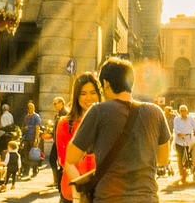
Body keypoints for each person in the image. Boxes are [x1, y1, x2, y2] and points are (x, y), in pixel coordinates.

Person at [63, 56, 170, 203]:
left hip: (109, 198)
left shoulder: (98, 111)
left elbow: (71, 157)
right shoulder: (156, 112)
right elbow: (163, 159)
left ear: (106, 84)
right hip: (147, 198)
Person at [57, 71, 100, 202]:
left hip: (100, 192)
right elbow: (64, 160)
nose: (89, 98)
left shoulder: (107, 121)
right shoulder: (65, 123)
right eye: (83, 93)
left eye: (93, 93)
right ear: (76, 96)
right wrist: (82, 191)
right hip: (72, 194)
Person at [171, 104, 195, 186]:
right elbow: (176, 129)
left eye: (184, 110)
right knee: (179, 158)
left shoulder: (191, 119)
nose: (183, 112)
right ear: (180, 112)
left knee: (189, 157)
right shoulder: (176, 119)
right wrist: (180, 133)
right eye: (181, 111)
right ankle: (182, 173)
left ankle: (187, 169)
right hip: (179, 141)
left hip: (188, 141)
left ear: (187, 111)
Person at [22, 101, 42, 173]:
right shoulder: (26, 117)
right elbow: (23, 127)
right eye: (28, 108)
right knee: (26, 154)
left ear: (33, 108)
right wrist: (25, 128)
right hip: (27, 138)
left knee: (34, 154)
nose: (30, 109)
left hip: (33, 138)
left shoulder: (36, 116)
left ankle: (34, 170)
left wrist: (36, 139)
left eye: (31, 107)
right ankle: (26, 171)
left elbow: (37, 128)